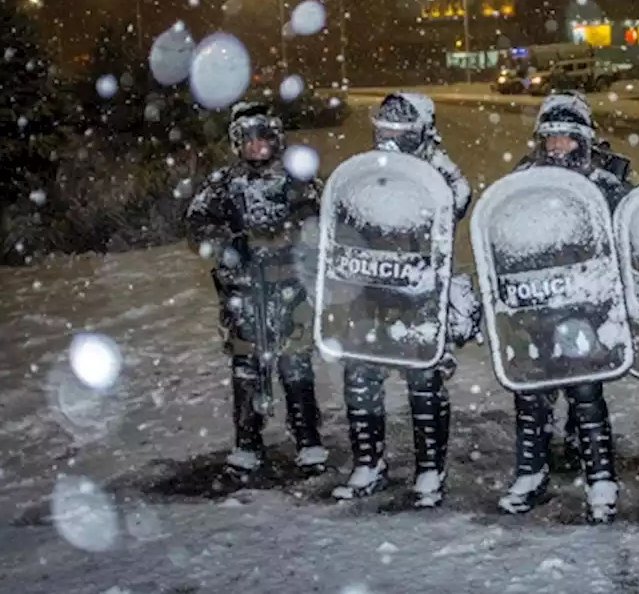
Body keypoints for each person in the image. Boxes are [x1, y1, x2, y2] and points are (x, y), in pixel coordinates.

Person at [331, 92, 476, 507]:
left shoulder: (439, 169)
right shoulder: (365, 170)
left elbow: (458, 200)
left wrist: (424, 173)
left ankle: (430, 471)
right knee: (361, 377)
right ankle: (368, 463)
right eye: (385, 128)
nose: (390, 137)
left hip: (418, 291)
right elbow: (343, 215)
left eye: (400, 130)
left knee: (423, 380)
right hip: (370, 291)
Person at [499, 93, 630, 522]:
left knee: (586, 392)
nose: (558, 146)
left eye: (567, 139)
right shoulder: (524, 177)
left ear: (584, 140)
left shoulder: (605, 182)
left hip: (582, 308)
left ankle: (601, 479)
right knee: (531, 394)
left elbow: (624, 235)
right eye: (552, 138)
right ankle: (530, 472)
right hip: (536, 304)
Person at [186, 101, 327, 474]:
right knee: (246, 368)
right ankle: (247, 441)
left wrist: (280, 238)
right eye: (246, 142)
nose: (255, 148)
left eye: (262, 140)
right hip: (243, 294)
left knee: (295, 365)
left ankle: (308, 438)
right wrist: (228, 244)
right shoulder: (223, 185)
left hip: (289, 291)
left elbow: (316, 222)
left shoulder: (296, 180)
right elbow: (197, 225)